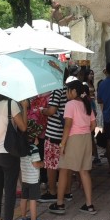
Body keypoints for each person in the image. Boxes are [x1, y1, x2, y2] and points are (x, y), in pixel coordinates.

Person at [49, 78, 97, 216]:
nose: (66, 93)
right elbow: (93, 125)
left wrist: (63, 144)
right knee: (84, 171)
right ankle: (89, 205)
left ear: (74, 91)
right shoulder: (87, 103)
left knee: (64, 170)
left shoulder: (70, 104)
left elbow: (68, 125)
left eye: (68, 91)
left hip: (74, 139)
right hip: (86, 138)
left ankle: (59, 204)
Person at [38, 64, 78, 203]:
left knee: (51, 164)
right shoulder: (70, 91)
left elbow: (52, 111)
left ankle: (52, 191)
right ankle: (67, 192)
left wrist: (43, 110)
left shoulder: (56, 90)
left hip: (54, 132)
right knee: (65, 165)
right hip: (67, 132)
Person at [0, 90, 27, 220]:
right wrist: (25, 108)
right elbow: (23, 127)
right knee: (10, 188)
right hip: (8, 151)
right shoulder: (11, 104)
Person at [15, 124, 47, 220]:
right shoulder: (34, 149)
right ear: (33, 138)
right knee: (33, 199)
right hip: (33, 179)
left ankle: (23, 218)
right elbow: (36, 164)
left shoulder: (21, 148)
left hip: (24, 178)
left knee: (24, 198)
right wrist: (43, 163)